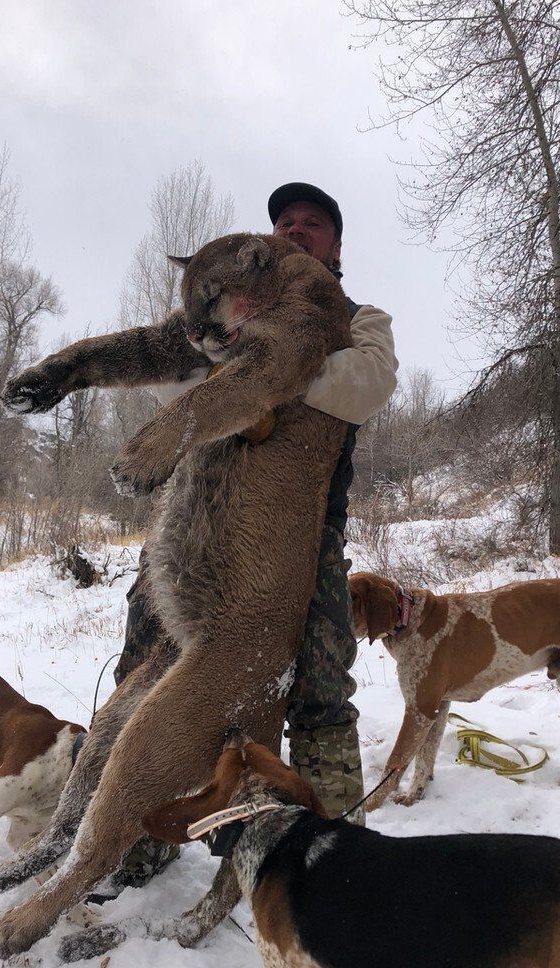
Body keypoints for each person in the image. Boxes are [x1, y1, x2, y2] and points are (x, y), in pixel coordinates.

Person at [110, 182, 398, 890]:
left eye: (313, 224)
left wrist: (271, 371)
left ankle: (338, 860)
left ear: (336, 245)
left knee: (321, 685)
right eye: (284, 223)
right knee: (146, 669)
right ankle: (136, 836)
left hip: (299, 540)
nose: (297, 231)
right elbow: (167, 377)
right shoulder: (225, 315)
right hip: (201, 528)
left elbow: (366, 384)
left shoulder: (361, 318)